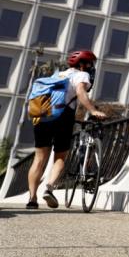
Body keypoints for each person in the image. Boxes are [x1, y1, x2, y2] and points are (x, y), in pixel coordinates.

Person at [26, 50, 107, 209]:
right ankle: (49, 188)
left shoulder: (58, 75)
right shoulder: (81, 75)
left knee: (39, 159)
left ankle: (32, 198)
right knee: (60, 157)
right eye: (90, 64)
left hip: (43, 117)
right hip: (63, 116)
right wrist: (93, 110)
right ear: (83, 65)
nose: (92, 68)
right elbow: (81, 92)